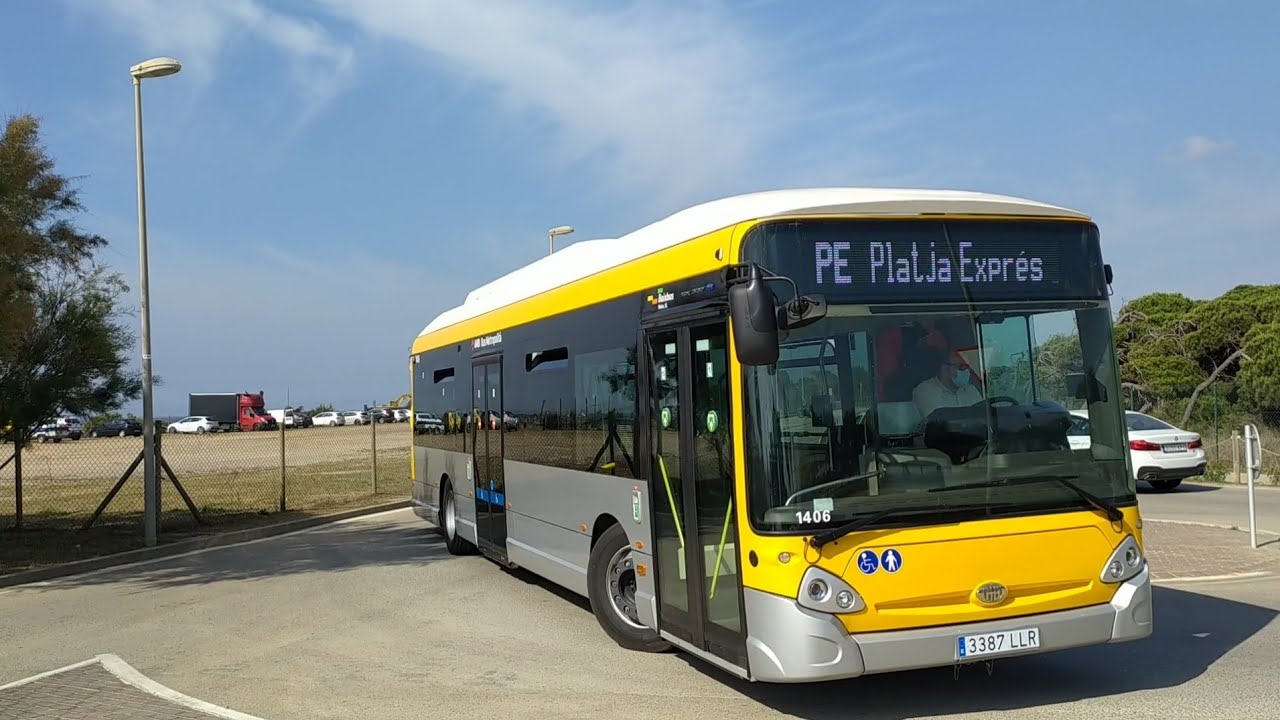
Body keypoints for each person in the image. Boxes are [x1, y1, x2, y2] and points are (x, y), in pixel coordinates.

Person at [912, 349, 983, 420]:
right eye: (961, 367)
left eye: (967, 367)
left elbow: (984, 418)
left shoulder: (971, 390)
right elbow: (939, 424)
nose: (967, 371)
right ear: (944, 368)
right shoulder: (925, 391)